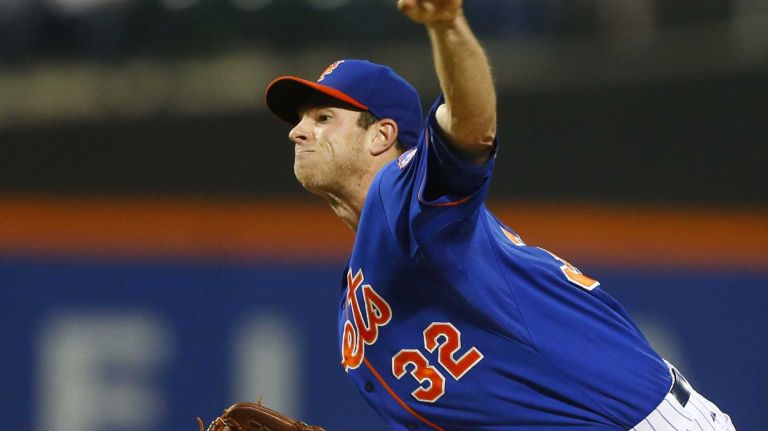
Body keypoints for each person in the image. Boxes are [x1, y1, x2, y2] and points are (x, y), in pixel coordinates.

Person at [264, 0, 736, 430]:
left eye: (323, 118)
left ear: (381, 136)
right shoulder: (355, 299)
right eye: (300, 120)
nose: (297, 132)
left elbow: (471, 128)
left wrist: (448, 26)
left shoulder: (404, 196)